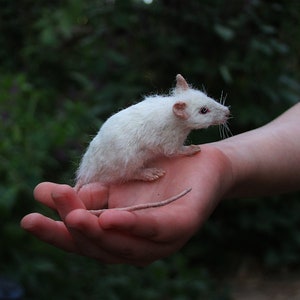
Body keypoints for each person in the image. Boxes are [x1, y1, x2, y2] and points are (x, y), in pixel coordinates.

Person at [21, 103, 300, 266]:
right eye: (205, 110)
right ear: (180, 110)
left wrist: (223, 161)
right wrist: (220, 158)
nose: (220, 112)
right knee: (133, 155)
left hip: (122, 147)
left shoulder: (169, 114)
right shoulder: (169, 122)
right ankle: (134, 174)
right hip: (123, 153)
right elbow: (166, 147)